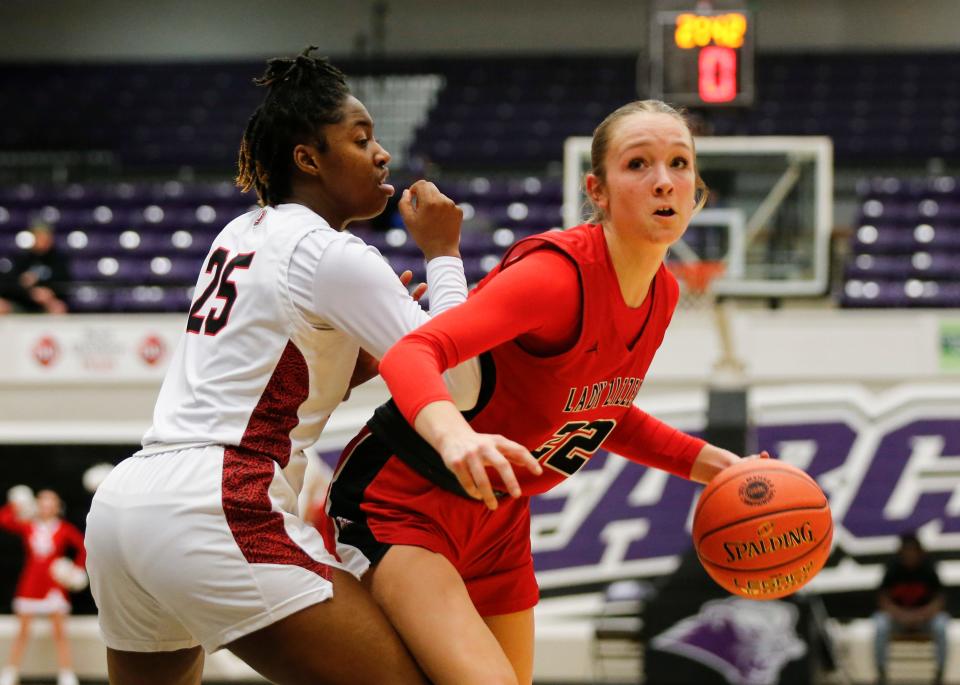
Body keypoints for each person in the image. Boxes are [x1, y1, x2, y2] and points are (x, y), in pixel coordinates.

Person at [324, 100, 769, 685]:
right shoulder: (555, 276)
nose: (663, 180)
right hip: (405, 495)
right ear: (598, 190)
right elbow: (414, 352)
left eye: (679, 163)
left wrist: (710, 463)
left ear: (696, 189)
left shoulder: (661, 291)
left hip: (500, 515)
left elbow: (596, 406)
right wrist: (456, 436)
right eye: (638, 164)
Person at [84, 47, 478, 685]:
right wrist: (444, 254)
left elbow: (262, 363)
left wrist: (341, 375)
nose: (383, 154)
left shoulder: (239, 232)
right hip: (216, 499)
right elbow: (457, 384)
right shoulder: (331, 251)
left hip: (126, 505)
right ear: (307, 157)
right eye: (361, 139)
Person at [0, 487, 86, 685]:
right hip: (30, 585)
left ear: (57, 507)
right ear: (37, 505)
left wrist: (75, 570)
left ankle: (66, 672)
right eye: (43, 502)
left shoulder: (63, 528)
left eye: (51, 502)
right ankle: (11, 671)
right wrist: (16, 503)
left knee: (59, 633)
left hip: (53, 587)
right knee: (22, 632)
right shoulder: (29, 525)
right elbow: (4, 520)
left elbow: (83, 547)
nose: (46, 506)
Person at [873, 532, 949, 685]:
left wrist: (921, 615)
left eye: (912, 550)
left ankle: (939, 673)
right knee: (880, 624)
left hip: (924, 619)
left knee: (941, 624)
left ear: (919, 552)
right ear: (900, 552)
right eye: (906, 550)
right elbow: (883, 599)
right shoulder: (893, 568)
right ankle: (881, 673)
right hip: (898, 619)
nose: (909, 554)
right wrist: (901, 615)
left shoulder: (928, 568)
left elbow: (940, 599)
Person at [0, 224, 70, 315]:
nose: (41, 240)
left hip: (47, 305)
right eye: (38, 236)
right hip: (23, 303)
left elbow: (65, 284)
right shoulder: (23, 258)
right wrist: (30, 292)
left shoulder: (58, 260)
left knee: (58, 308)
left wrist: (49, 293)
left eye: (44, 236)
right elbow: (9, 285)